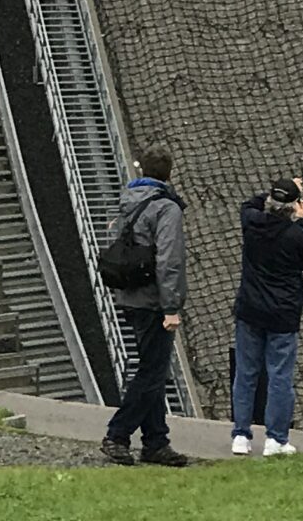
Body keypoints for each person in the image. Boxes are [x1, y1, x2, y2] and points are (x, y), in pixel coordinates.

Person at [97, 143, 188, 467]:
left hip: (130, 296)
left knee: (152, 369)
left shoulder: (129, 201)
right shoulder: (166, 208)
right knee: (152, 373)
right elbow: (169, 260)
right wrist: (171, 307)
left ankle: (156, 441)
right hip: (152, 301)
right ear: (169, 173)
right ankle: (117, 434)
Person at [230, 174, 303, 457]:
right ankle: (276, 439)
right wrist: (301, 220)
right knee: (280, 376)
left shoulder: (251, 222)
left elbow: (249, 203)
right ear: (294, 206)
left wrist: (278, 193)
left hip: (250, 309)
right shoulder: (296, 234)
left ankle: (240, 435)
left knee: (246, 373)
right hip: (282, 314)